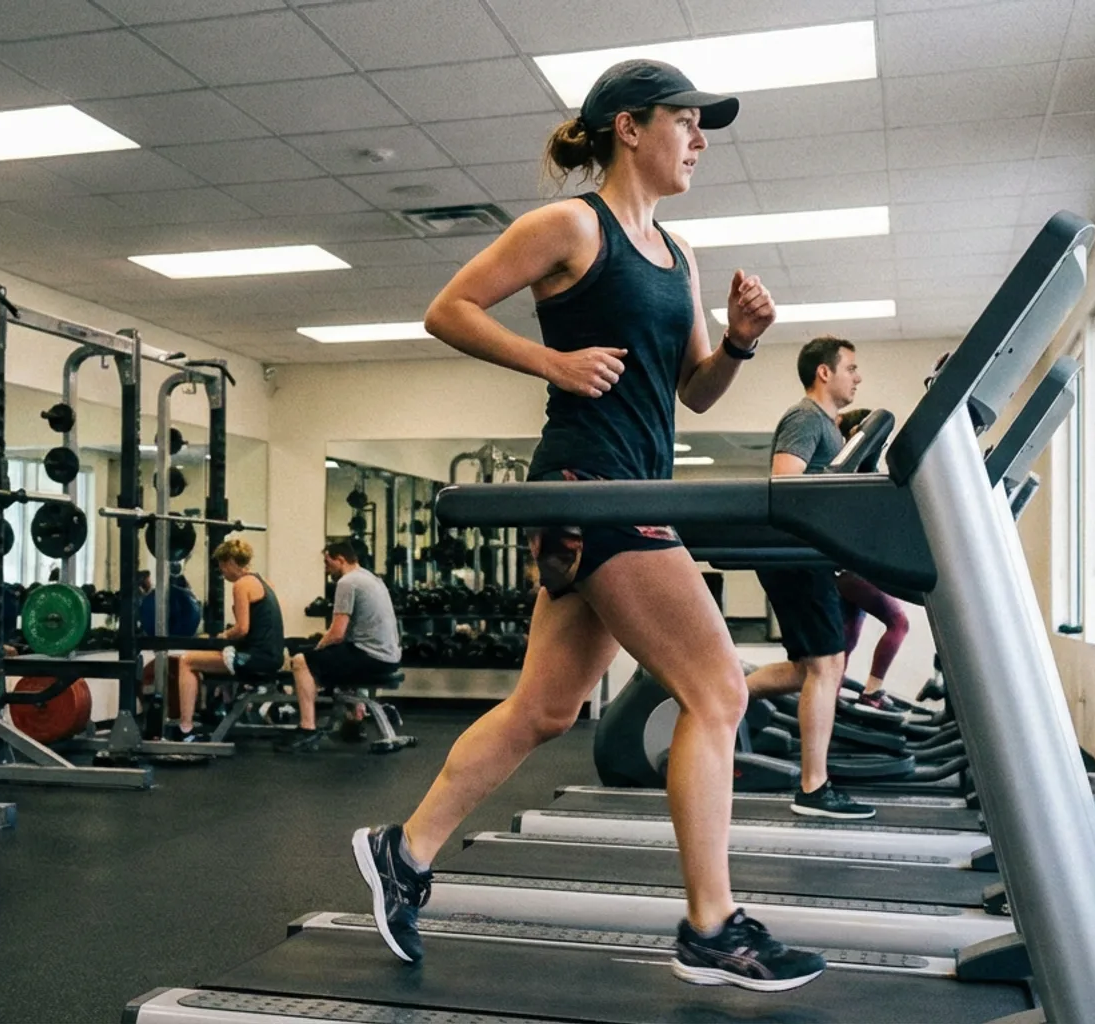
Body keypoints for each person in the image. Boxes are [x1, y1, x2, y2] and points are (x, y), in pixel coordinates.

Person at [350, 59, 826, 992]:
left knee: (545, 710)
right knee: (719, 691)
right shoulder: (571, 224)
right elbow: (448, 309)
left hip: (633, 491)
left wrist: (737, 340)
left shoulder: (678, 256)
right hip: (588, 484)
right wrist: (550, 364)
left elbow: (692, 389)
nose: (699, 141)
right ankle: (712, 924)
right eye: (687, 122)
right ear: (629, 128)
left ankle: (403, 852)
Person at [743, 337, 876, 821]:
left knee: (812, 668)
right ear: (825, 372)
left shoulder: (833, 430)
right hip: (794, 555)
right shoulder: (806, 419)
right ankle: (813, 788)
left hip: (807, 556)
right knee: (826, 665)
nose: (858, 378)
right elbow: (786, 483)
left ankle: (722, 695)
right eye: (852, 368)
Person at [281, 539, 400, 753]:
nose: (326, 570)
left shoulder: (347, 583)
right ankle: (354, 720)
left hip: (371, 657)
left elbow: (336, 634)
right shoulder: (371, 578)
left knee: (301, 661)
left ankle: (307, 728)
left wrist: (315, 651)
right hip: (389, 657)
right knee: (330, 657)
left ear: (340, 559)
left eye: (328, 563)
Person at [834, 411, 910, 710]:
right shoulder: (858, 468)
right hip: (853, 570)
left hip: (851, 569)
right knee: (899, 622)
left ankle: (831, 696)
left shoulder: (858, 468)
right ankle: (873, 691)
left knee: (846, 639)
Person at [170, 540, 283, 739]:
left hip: (255, 658)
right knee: (207, 657)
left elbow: (242, 629)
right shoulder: (264, 582)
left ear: (231, 561)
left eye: (222, 565)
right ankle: (213, 708)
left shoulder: (241, 584)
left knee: (186, 661)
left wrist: (222, 636)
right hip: (272, 656)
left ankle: (185, 728)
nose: (222, 571)